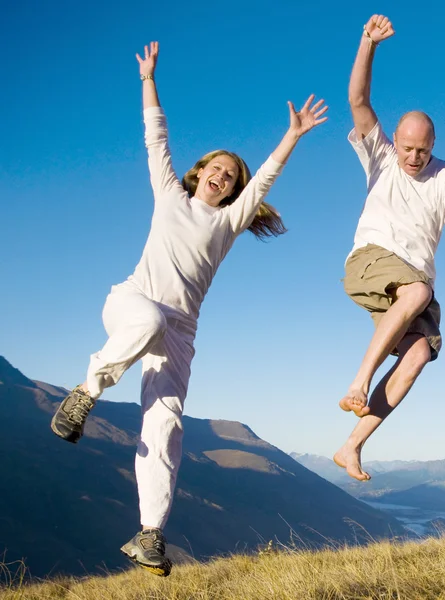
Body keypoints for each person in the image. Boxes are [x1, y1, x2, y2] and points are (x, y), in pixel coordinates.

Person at [51, 41, 328, 576]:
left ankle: (149, 534)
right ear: (199, 172)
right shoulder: (169, 198)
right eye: (216, 168)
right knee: (147, 319)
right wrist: (147, 79)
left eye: (230, 176)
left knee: (166, 424)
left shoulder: (226, 225)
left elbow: (265, 177)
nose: (222, 176)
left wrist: (291, 136)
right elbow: (156, 139)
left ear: (231, 192)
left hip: (179, 333)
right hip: (132, 305)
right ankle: (85, 393)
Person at [333, 15, 445, 482]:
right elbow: (358, 99)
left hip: (412, 282)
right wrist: (368, 44)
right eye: (407, 148)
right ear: (394, 141)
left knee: (418, 354)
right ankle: (359, 381)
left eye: (422, 150)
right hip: (370, 262)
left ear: (433, 145)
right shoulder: (380, 157)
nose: (413, 158)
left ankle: (352, 447)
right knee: (414, 292)